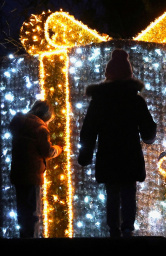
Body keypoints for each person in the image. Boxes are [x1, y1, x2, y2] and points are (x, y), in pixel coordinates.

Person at [78, 49, 157, 237]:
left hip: (108, 153)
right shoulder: (135, 100)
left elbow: (89, 130)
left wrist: (85, 155)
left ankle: (113, 229)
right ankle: (128, 228)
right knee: (129, 190)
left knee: (112, 192)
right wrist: (148, 137)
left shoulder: (99, 101)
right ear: (129, 75)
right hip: (130, 153)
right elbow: (147, 125)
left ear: (108, 75)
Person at [9, 100, 62, 238]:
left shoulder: (20, 123)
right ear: (46, 115)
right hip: (33, 176)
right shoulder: (40, 128)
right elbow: (47, 151)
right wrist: (58, 149)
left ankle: (24, 236)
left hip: (18, 174)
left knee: (22, 211)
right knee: (34, 213)